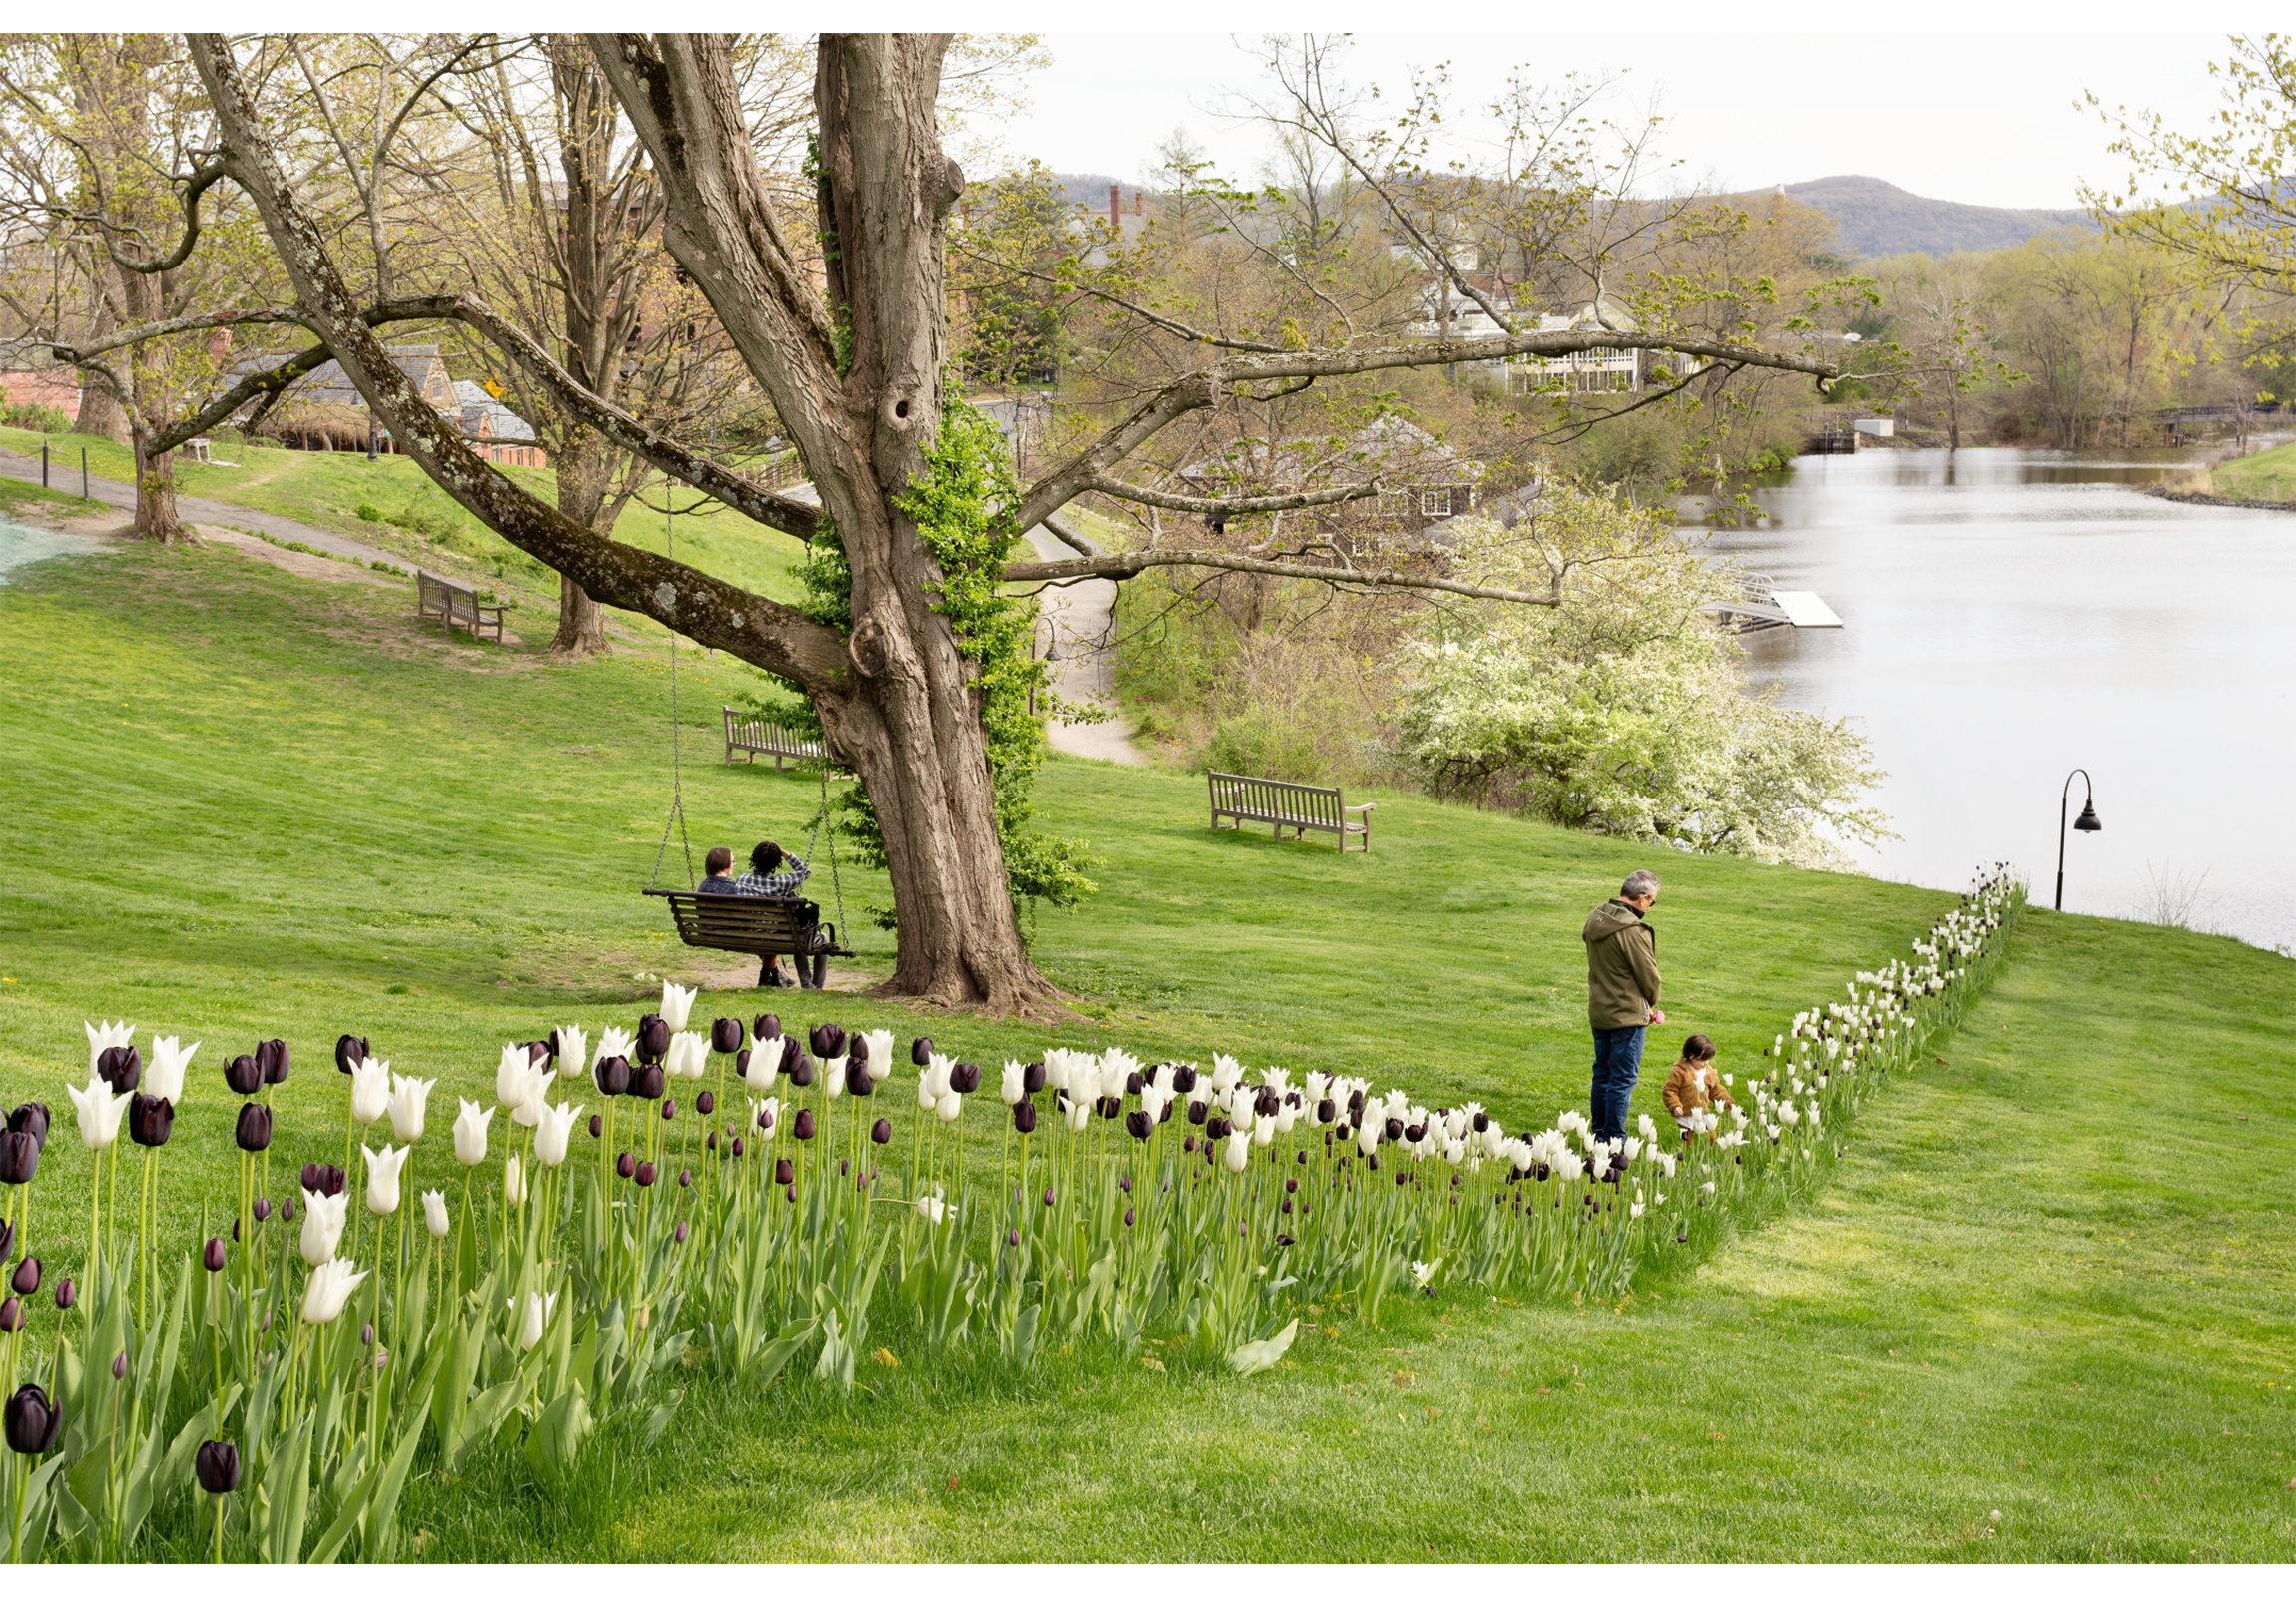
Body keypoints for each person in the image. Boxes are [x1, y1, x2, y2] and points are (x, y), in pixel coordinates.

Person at [1583, 868, 1665, 1146]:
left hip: (1600, 1010)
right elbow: (1649, 977)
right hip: (1627, 1016)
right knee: (1622, 1079)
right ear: (1642, 898)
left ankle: (1598, 1136)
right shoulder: (1633, 930)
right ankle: (1614, 1140)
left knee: (1602, 1074)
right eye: (1652, 903)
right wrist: (1652, 1002)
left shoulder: (1596, 916)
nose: (1650, 908)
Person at [732, 840, 822, 990]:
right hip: (776, 937)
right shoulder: (780, 883)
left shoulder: (741, 880)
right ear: (776, 863)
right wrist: (783, 852)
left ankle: (773, 976)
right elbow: (804, 871)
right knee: (811, 936)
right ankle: (806, 984)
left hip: (749, 935)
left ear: (753, 859)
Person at [1661, 1034, 1733, 1138]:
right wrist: (1675, 1105)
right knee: (1687, 1139)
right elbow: (1670, 1090)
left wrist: (1727, 1101)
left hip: (1704, 1112)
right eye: (1703, 1060)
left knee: (1712, 1136)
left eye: (1708, 1060)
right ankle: (1688, 1152)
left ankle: (1711, 1150)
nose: (1706, 1063)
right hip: (1686, 1114)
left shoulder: (1709, 1072)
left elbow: (1716, 1090)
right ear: (1692, 1056)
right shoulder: (1680, 1071)